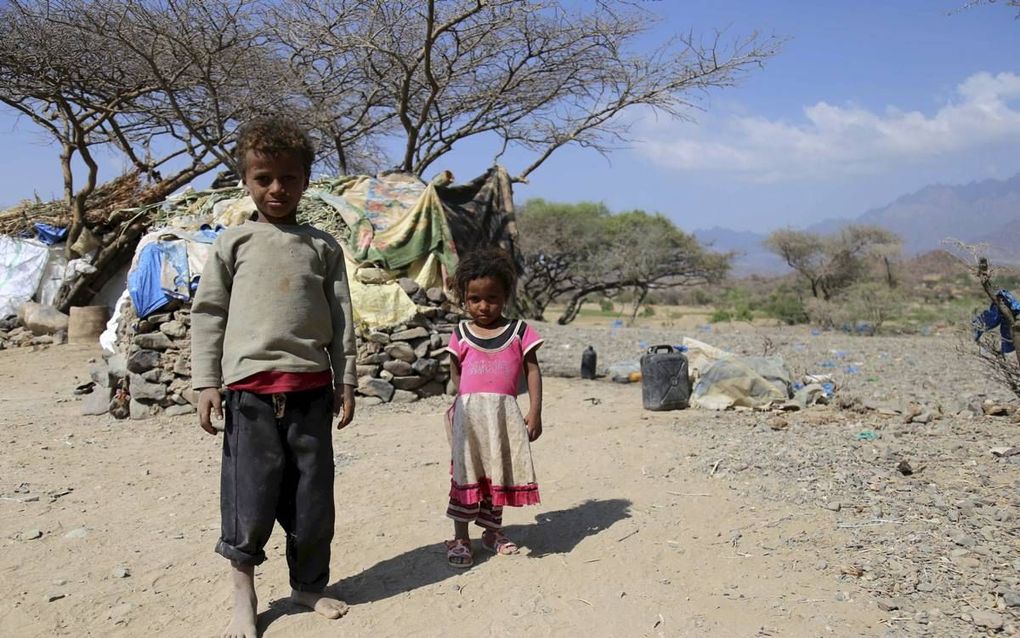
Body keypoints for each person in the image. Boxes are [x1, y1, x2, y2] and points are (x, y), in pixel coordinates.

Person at [191, 116, 357, 638]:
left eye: (289, 177)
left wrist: (345, 379)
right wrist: (205, 382)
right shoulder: (232, 243)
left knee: (312, 501)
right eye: (264, 178)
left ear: (307, 180)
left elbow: (343, 318)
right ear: (247, 179)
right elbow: (209, 315)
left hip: (310, 392)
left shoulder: (323, 247)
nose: (277, 188)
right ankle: (244, 591)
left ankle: (308, 586)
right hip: (249, 397)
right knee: (249, 497)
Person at [443, 247, 544, 568]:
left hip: (504, 416)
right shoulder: (460, 333)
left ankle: (491, 532)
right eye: (474, 299)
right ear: (464, 298)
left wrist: (535, 410)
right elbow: (456, 373)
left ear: (506, 296)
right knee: (466, 472)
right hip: (469, 418)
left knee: (497, 472)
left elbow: (532, 371)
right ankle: (460, 537)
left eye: (492, 298)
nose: (483, 306)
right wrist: (462, 409)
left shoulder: (519, 332)